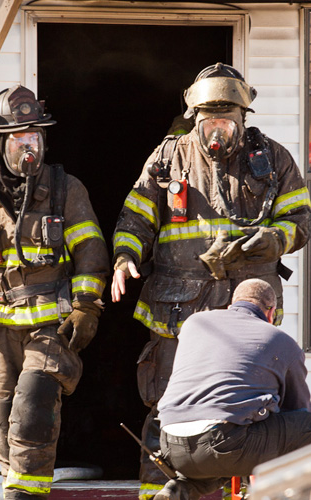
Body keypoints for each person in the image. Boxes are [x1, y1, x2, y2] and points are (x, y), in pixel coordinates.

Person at [111, 62, 311, 499]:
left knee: (251, 410)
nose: (216, 132)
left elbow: (301, 219)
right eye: (208, 123)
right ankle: (157, 495)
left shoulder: (273, 159)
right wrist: (125, 257)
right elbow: (136, 217)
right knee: (168, 407)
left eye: (226, 123)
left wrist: (274, 239)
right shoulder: (168, 158)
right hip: (177, 311)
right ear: (195, 119)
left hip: (246, 308)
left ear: (242, 120)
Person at [0, 85, 110, 500]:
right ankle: (15, 486)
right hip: (0, 327)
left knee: (33, 407)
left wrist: (86, 306)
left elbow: (91, 252)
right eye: (19, 141)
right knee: (4, 414)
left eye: (34, 139)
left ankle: (26, 495)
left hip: (50, 323)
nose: (28, 149)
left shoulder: (66, 190)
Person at [154, 278, 311, 500]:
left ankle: (180, 489)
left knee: (225, 449)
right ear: (270, 313)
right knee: (241, 443)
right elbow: (298, 409)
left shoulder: (194, 323)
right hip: (225, 441)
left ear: (231, 305)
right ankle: (269, 494)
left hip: (171, 444)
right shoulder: (280, 340)